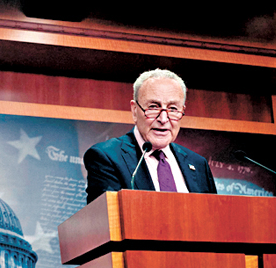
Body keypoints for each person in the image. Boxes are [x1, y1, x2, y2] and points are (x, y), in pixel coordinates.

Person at [84, 68, 217, 203]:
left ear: (182, 111)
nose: (163, 119)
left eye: (172, 109)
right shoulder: (107, 157)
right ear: (135, 110)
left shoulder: (198, 164)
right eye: (153, 107)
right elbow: (105, 214)